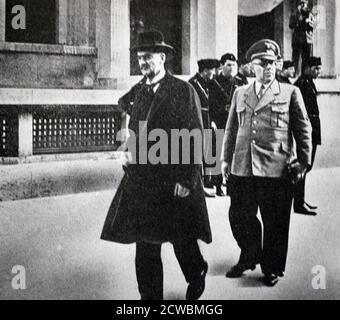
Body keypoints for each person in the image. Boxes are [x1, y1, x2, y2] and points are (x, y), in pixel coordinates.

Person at [100, 30, 211, 300]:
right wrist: (125, 143)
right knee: (146, 245)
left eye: (147, 58)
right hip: (143, 181)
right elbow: (123, 106)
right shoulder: (140, 90)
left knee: (181, 238)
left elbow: (195, 137)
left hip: (174, 179)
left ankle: (197, 271)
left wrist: (187, 180)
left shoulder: (182, 90)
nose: (143, 63)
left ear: (162, 58)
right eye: (139, 59)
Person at [221, 39, 312, 286]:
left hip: (276, 166)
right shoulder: (241, 93)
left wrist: (303, 162)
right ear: (252, 67)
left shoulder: (290, 92)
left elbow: (303, 128)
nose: (269, 67)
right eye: (263, 63)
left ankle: (271, 267)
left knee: (276, 220)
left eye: (272, 63)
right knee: (239, 216)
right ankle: (249, 255)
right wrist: (225, 160)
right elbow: (231, 128)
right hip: (243, 166)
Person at [293, 56, 322, 216]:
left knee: (306, 167)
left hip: (312, 130)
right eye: (316, 68)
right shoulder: (300, 85)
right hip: (306, 131)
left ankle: (300, 200)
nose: (319, 71)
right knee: (303, 166)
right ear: (307, 68)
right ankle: (298, 203)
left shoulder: (309, 83)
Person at [189, 59, 221, 197]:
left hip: (207, 120)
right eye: (212, 70)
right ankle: (199, 184)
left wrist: (213, 121)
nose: (214, 73)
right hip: (197, 120)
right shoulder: (193, 83)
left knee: (210, 151)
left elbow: (213, 103)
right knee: (199, 152)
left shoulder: (209, 83)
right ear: (205, 70)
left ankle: (210, 182)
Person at [208, 53, 238, 195]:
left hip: (233, 123)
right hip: (219, 121)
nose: (231, 68)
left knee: (232, 154)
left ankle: (232, 185)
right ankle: (218, 185)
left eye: (233, 65)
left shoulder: (238, 82)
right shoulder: (214, 82)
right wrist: (212, 120)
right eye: (228, 65)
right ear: (221, 66)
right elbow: (210, 104)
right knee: (218, 153)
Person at [289, 0, 315, 75]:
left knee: (306, 58)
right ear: (298, 5)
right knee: (295, 57)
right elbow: (291, 25)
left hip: (307, 39)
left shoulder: (310, 14)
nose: (303, 5)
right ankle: (294, 74)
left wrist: (309, 22)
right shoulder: (294, 14)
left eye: (305, 4)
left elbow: (313, 26)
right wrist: (298, 20)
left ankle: (304, 75)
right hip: (297, 39)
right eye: (301, 3)